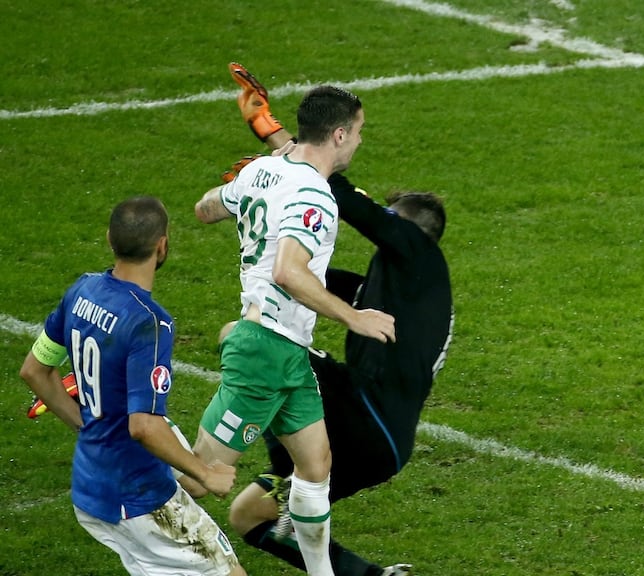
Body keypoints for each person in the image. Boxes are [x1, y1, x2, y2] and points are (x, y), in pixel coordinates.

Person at [222, 64, 454, 576]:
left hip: (369, 419)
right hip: (371, 438)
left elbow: (344, 196)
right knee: (249, 515)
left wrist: (271, 135)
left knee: (257, 342)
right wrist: (264, 184)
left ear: (407, 228)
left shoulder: (420, 257)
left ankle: (208, 463)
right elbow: (308, 280)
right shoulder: (401, 285)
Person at [192, 70, 397, 576]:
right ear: (340, 134)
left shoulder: (265, 171)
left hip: (290, 352)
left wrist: (245, 186)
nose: (361, 139)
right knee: (199, 475)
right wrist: (355, 316)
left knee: (316, 467)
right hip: (263, 349)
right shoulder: (316, 197)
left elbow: (204, 210)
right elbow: (288, 272)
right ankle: (133, 511)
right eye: (360, 129)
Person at [18, 196, 245, 576]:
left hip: (89, 488)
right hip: (138, 496)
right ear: (163, 246)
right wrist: (206, 475)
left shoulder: (81, 291)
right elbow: (144, 425)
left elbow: (34, 370)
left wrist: (88, 426)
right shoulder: (149, 324)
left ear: (110, 238)